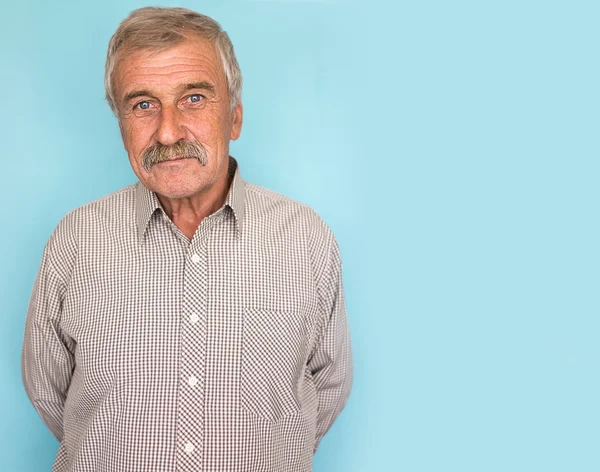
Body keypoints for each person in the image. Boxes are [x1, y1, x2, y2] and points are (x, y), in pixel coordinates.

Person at [21, 6, 352, 472]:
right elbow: (49, 391)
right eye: (143, 104)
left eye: (194, 98)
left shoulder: (305, 237)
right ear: (121, 126)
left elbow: (328, 386)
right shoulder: (75, 239)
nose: (169, 131)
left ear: (234, 119)